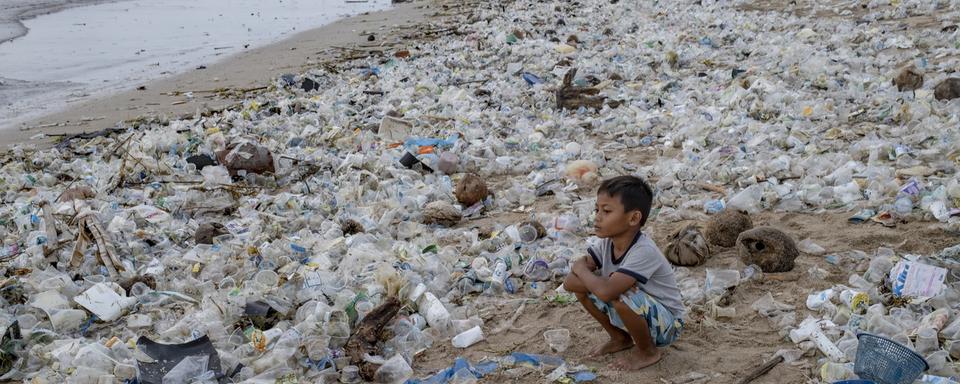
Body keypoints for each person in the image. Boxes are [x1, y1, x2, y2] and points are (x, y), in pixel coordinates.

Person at [562, 175, 685, 370]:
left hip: (667, 324)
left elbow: (605, 291)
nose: (597, 217)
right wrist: (599, 283)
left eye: (607, 211)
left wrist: (580, 268)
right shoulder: (606, 244)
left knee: (621, 295)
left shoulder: (644, 250)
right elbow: (569, 283)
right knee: (585, 290)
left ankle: (648, 352)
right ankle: (620, 338)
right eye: (597, 209)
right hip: (636, 313)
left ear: (634, 218)